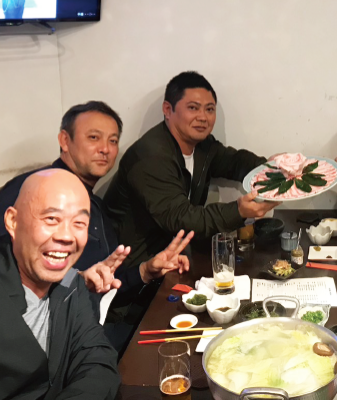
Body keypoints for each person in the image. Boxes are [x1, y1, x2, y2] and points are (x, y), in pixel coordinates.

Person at [0, 101, 194, 351]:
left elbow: (104, 284)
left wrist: (146, 270)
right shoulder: (29, 190)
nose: (105, 149)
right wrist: (76, 280)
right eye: (94, 137)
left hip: (94, 330)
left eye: (113, 141)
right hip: (44, 346)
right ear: (65, 140)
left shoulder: (96, 206)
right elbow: (10, 271)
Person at [104, 71, 279, 271]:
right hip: (133, 271)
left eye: (209, 109)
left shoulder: (202, 145)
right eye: (193, 108)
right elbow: (181, 219)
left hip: (174, 258)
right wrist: (238, 211)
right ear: (167, 109)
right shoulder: (150, 157)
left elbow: (234, 162)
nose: (203, 117)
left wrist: (273, 169)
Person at [0, 169, 119, 399]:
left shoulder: (70, 282)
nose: (66, 236)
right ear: (13, 221)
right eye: (51, 219)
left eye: (79, 223)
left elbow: (98, 361)